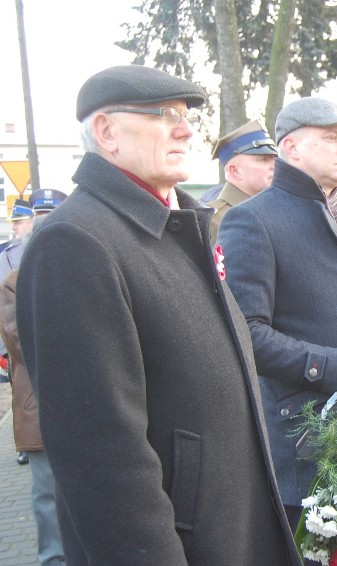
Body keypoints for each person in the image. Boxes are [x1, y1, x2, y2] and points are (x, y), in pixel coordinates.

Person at [15, 64, 301, 565]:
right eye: (163, 114)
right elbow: (102, 458)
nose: (187, 128)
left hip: (228, 527)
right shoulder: (76, 242)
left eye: (188, 115)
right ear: (106, 131)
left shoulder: (175, 223)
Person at [216, 97, 337, 530]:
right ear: (292, 149)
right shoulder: (251, 221)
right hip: (309, 437)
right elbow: (248, 335)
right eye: (331, 138)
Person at [0, 214, 66, 566]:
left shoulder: (73, 277)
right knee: (48, 494)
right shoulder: (14, 283)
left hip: (78, 406)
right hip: (38, 407)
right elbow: (24, 341)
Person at [1, 199, 36, 466]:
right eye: (13, 222)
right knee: (20, 388)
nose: (15, 226)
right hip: (18, 349)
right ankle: (26, 445)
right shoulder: (6, 255)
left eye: (19, 221)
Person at [207, 119, 277, 241]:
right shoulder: (216, 221)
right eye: (264, 159)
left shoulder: (274, 211)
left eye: (275, 159)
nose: (274, 166)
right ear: (235, 171)